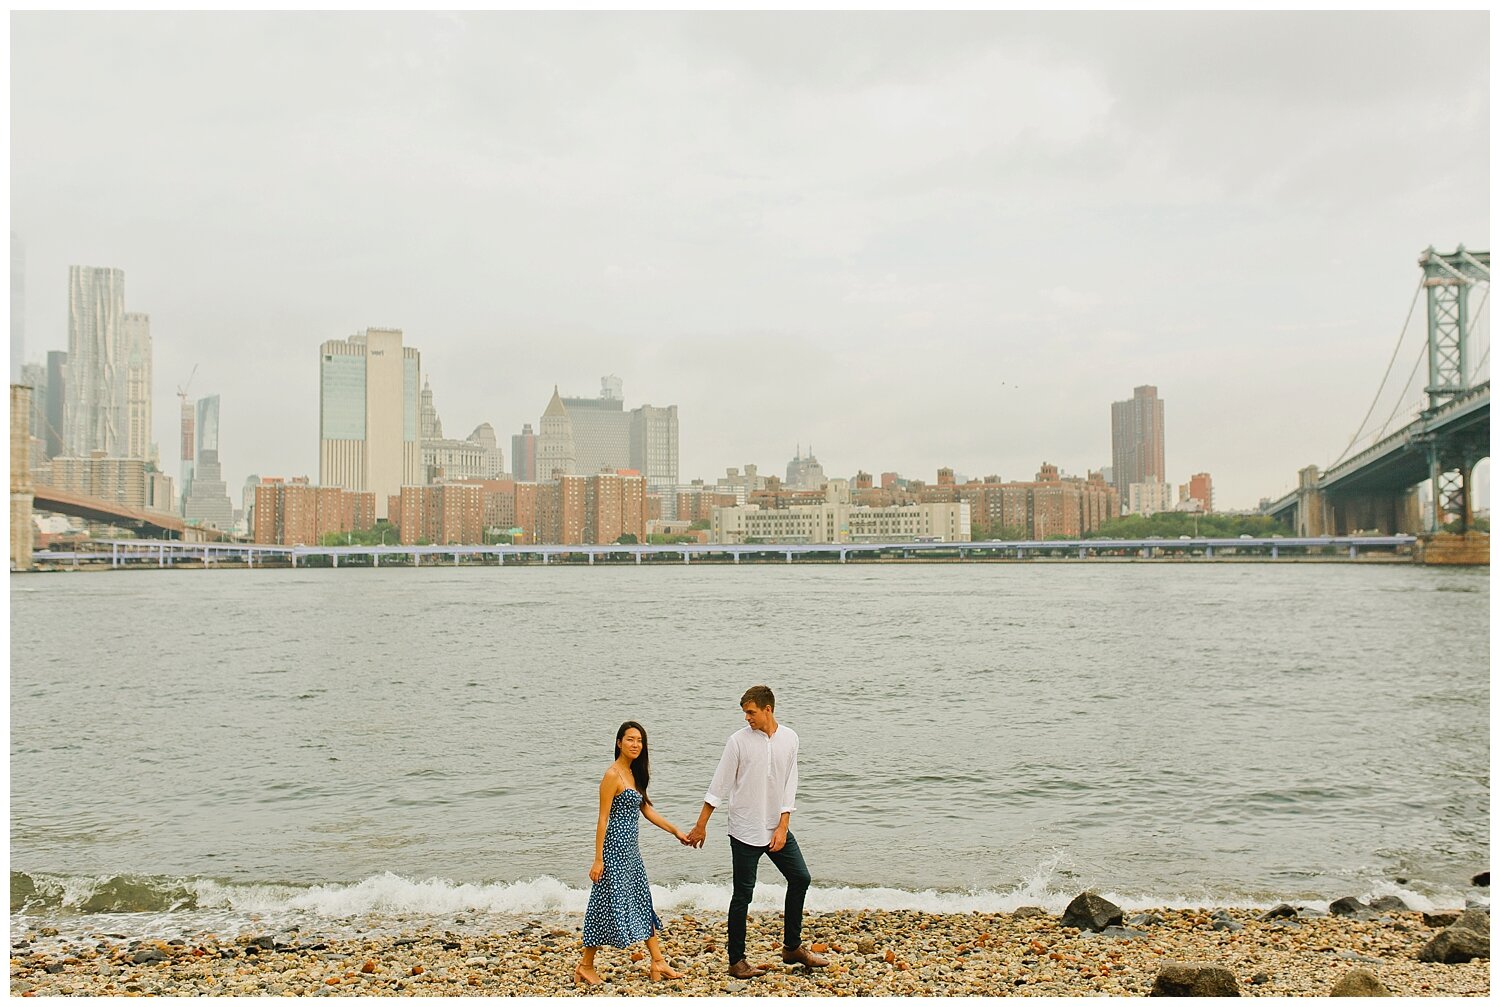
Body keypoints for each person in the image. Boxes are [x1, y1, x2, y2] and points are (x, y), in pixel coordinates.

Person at [685, 685, 829, 979]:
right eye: (744, 713)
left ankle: (792, 948)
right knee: (743, 895)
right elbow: (719, 785)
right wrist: (701, 824)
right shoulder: (738, 741)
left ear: (768, 709)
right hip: (744, 829)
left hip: (776, 828)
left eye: (751, 712)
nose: (747, 718)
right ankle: (736, 961)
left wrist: (783, 825)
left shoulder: (790, 738)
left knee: (800, 878)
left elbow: (791, 783)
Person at [575, 721, 689, 986]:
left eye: (639, 740)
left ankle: (658, 961)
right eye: (630, 739)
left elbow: (646, 810)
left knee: (641, 901)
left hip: (631, 853)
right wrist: (598, 858)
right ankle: (585, 965)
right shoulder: (612, 775)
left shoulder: (634, 774)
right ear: (619, 743)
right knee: (603, 906)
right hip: (612, 852)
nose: (636, 744)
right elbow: (602, 819)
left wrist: (675, 831)